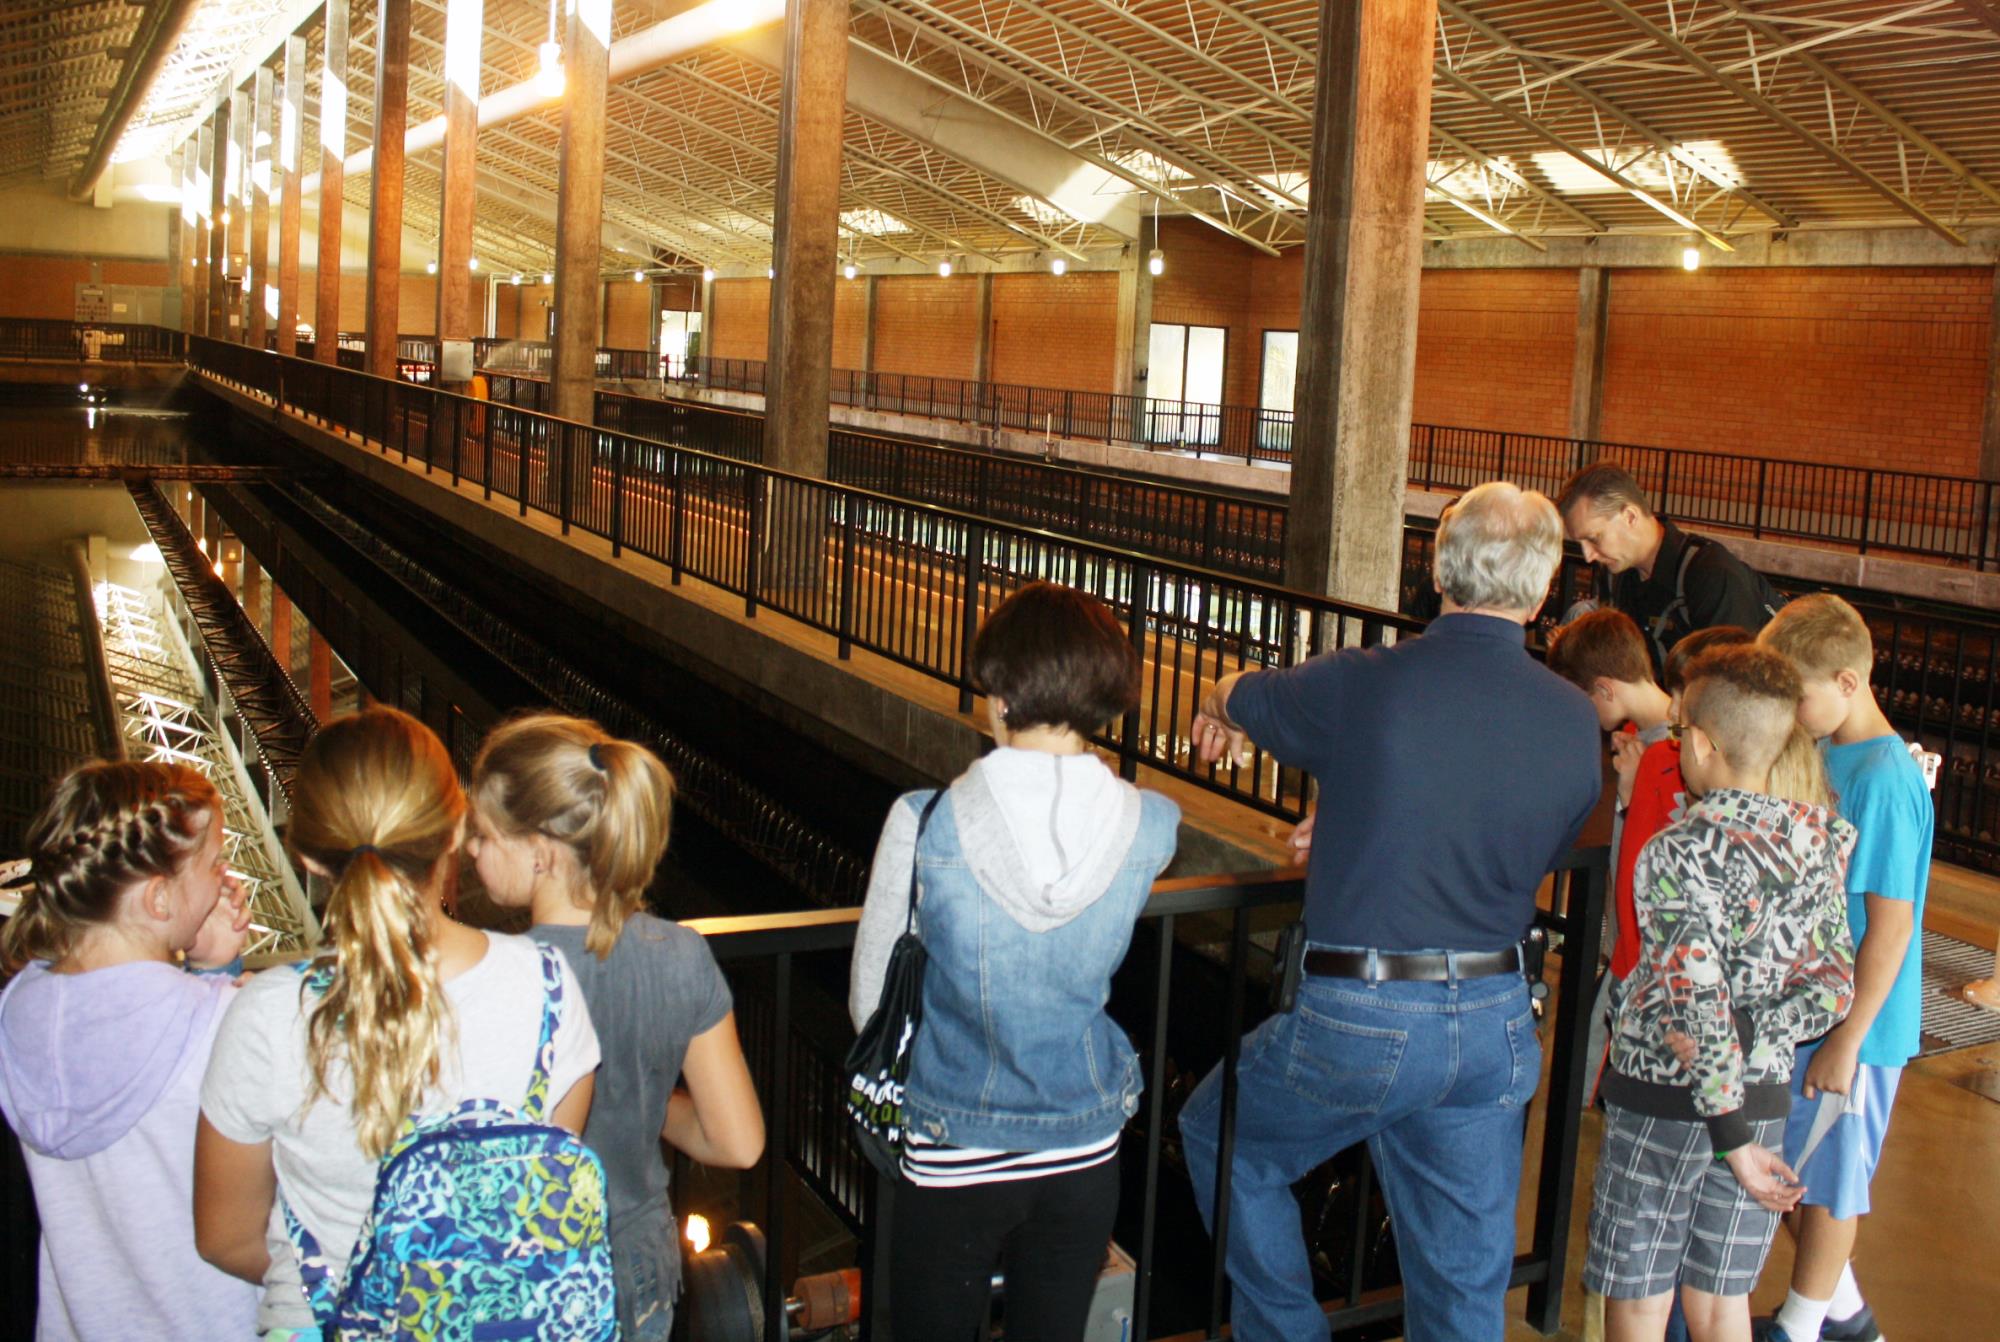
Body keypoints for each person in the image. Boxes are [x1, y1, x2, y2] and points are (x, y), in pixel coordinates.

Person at [1179, 481, 1601, 1342]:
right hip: (1496, 1026)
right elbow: (1525, 842)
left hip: (1361, 1015)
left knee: (1223, 1135)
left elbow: (1245, 693)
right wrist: (1365, 803)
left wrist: (1212, 702)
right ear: (1543, 588)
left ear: (1438, 569)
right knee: (1461, 1286)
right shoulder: (1572, 719)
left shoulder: (1364, 683)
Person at [192, 707, 603, 1337]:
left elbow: (225, 1238)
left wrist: (369, 1293)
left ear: (308, 857)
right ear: (453, 832)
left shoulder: (266, 1015)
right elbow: (535, 1195)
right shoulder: (547, 988)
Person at [849, 581, 1178, 1342]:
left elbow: (872, 1004)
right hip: (1083, 1143)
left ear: (998, 695)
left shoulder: (922, 821)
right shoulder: (1151, 826)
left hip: (953, 1141)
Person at [1585, 645, 1856, 1342]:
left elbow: (1691, 997)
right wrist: (1756, 1033)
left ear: (1700, 745)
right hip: (1763, 1101)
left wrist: (1728, 1133)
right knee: (1719, 1302)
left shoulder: (1679, 852)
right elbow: (1832, 987)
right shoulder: (1818, 845)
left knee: (1642, 1299)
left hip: (1663, 1100)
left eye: (1680, 735)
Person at [468, 713, 763, 1342]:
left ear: (541, 851)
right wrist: (642, 1101)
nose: (470, 850)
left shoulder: (499, 972)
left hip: (529, 1269)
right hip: (640, 1261)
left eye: (484, 836)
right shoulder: (681, 954)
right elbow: (738, 1143)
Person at [0, 761, 257, 1340]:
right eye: (215, 862)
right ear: (160, 899)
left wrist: (210, 968)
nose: (224, 878)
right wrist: (219, 978)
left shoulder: (20, 1006)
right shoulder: (225, 1023)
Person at [1753, 595, 1932, 1342]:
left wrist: (1848, 1038)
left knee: (1829, 1186)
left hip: (1857, 1023)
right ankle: (1848, 1316)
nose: (1793, 713)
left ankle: (1801, 1325)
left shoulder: (1886, 778)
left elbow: (1891, 926)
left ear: (1849, 683)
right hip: (1815, 1006)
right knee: (1800, 1168)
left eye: (1800, 696)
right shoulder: (1832, 752)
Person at [1558, 462, 1779, 671]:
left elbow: (1732, 693)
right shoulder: (1614, 575)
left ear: (1630, 517)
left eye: (1594, 538)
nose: (1588, 556)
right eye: (1580, 543)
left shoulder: (1712, 575)